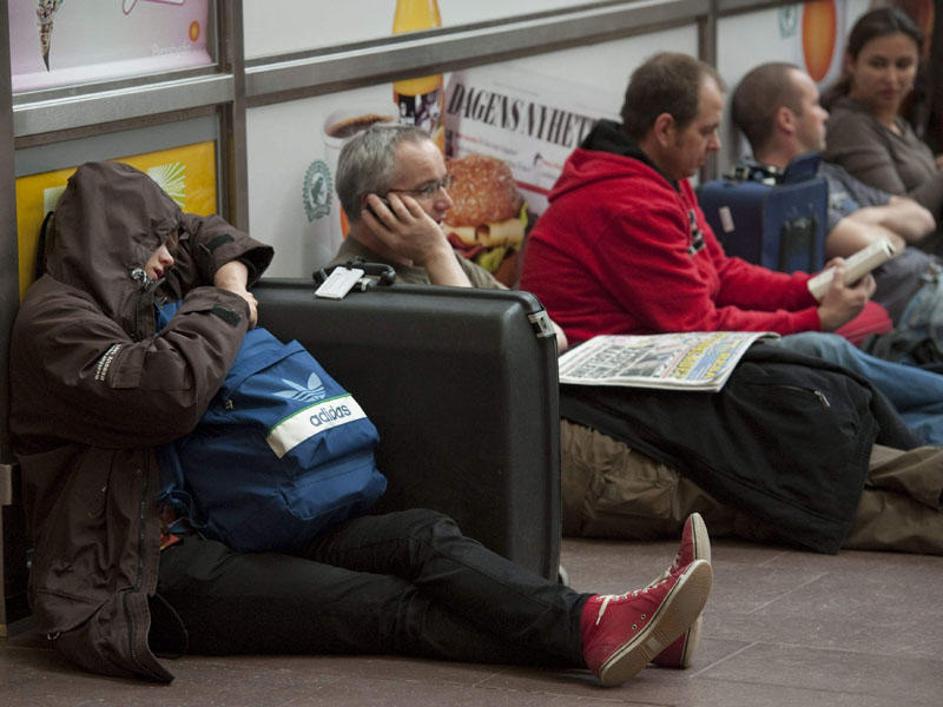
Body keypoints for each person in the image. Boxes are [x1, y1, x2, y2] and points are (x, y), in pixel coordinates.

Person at [8, 160, 713, 685]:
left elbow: (210, 236)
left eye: (164, 242)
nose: (166, 259)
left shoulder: (137, 283)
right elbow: (168, 392)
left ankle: (613, 621)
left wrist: (225, 275)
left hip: (230, 512)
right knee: (384, 606)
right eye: (148, 246)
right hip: (147, 569)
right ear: (108, 246)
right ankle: (595, 631)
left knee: (420, 536)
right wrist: (224, 305)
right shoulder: (57, 325)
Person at [517, 52, 943, 553]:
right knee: (823, 357)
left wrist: (810, 288)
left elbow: (720, 272)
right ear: (665, 129)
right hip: (623, 387)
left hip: (662, 358)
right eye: (707, 130)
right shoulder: (627, 204)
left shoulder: (662, 177)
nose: (717, 144)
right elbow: (698, 324)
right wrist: (814, 317)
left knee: (828, 360)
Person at [733, 61, 943, 367]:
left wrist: (859, 221)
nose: (825, 115)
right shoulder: (782, 197)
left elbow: (921, 218)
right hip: (915, 303)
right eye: (816, 105)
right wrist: (882, 225)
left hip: (932, 276)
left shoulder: (828, 173)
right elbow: (879, 247)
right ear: (787, 120)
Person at [822, 7, 943, 221]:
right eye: (878, 64)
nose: (891, 78)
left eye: (903, 65)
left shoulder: (895, 121)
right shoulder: (850, 127)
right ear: (851, 63)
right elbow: (901, 218)